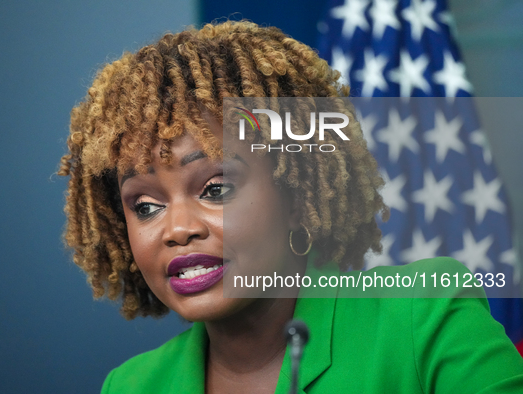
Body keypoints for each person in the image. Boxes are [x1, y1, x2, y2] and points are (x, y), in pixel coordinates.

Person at [58, 20, 523, 393]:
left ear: (296, 196)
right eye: (144, 206)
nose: (177, 229)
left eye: (216, 189)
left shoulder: (425, 316)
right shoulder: (133, 385)